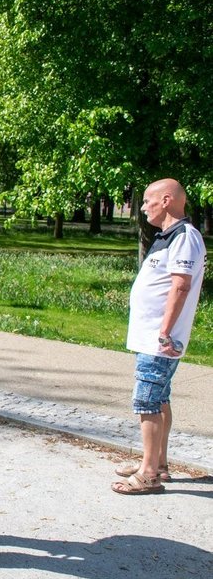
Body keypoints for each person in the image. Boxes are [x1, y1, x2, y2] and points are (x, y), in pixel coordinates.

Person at [112, 178, 206, 495]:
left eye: (147, 200)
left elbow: (181, 286)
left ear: (166, 200)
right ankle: (157, 463)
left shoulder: (185, 237)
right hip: (151, 337)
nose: (142, 206)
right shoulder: (168, 237)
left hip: (160, 340)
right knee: (159, 398)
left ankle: (149, 475)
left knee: (147, 400)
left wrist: (164, 331)